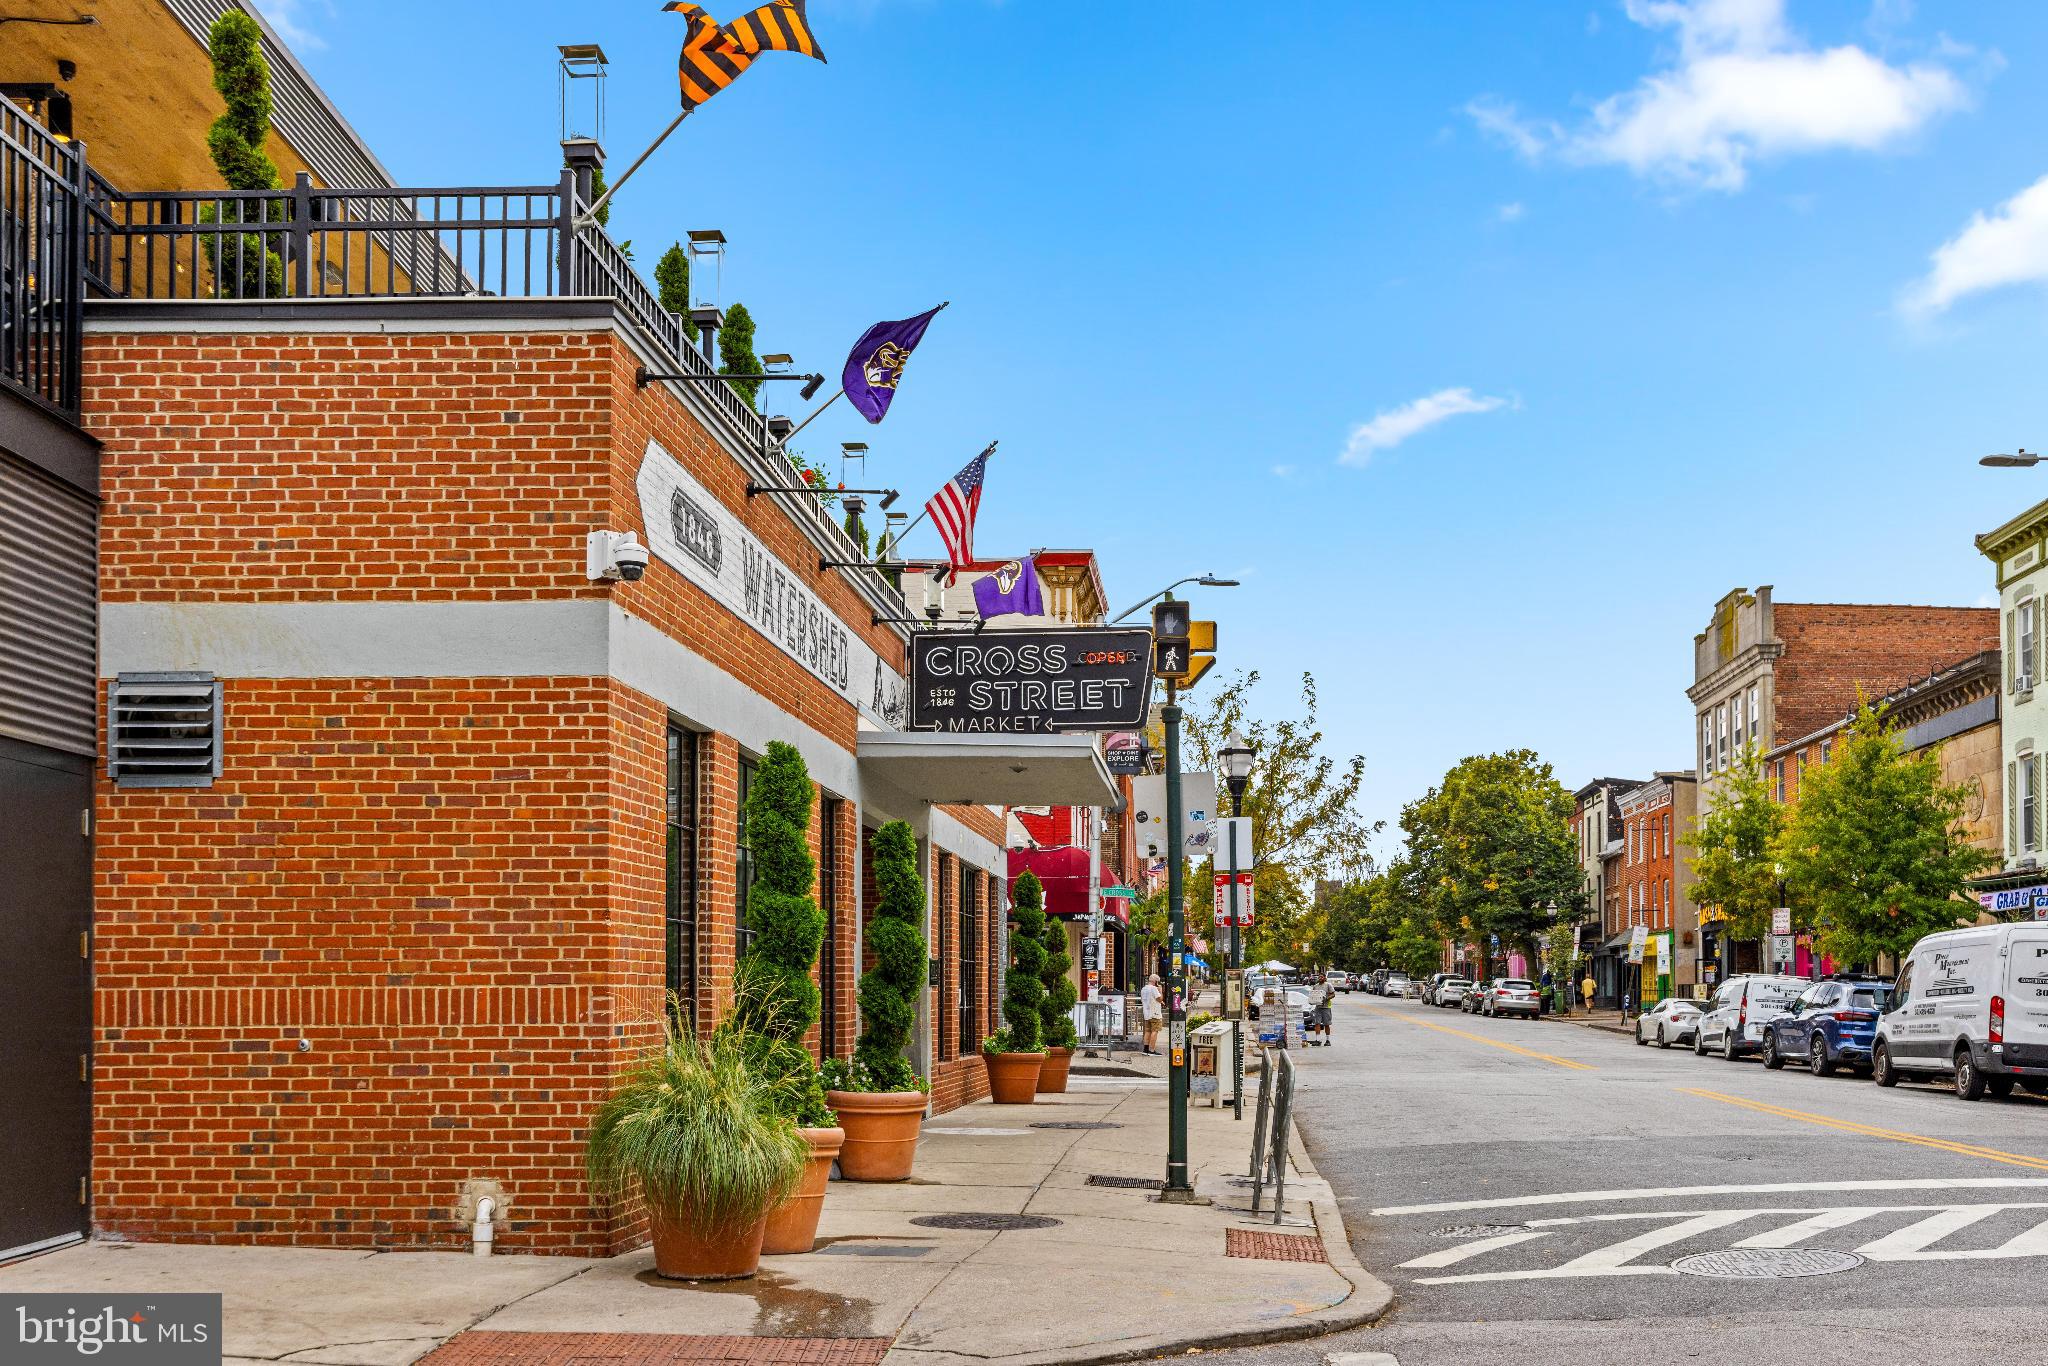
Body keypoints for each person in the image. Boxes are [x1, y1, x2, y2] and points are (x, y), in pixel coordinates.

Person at [1140, 974, 1164, 1054]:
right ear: (1156, 981)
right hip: (1155, 1013)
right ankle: (1151, 1050)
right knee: (1155, 1031)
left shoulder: (1144, 988)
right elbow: (1160, 999)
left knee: (1148, 1031)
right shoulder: (1154, 989)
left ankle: (1145, 1049)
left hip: (1146, 1013)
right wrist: (1160, 991)